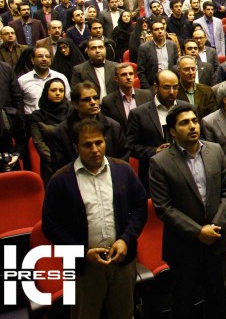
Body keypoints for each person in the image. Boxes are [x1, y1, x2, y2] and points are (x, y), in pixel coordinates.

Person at [42, 117, 148, 319]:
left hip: (121, 262)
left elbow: (140, 208)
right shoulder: (60, 180)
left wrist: (126, 239)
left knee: (124, 314)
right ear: (76, 147)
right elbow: (50, 225)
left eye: (99, 142)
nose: (95, 149)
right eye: (87, 145)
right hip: (85, 267)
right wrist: (82, 252)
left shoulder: (123, 171)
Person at [150, 103, 226, 319]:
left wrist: (215, 226)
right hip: (184, 247)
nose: (192, 126)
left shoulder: (214, 151)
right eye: (184, 123)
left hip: (216, 241)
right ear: (172, 131)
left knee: (218, 300)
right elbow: (164, 208)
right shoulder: (160, 162)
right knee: (184, 304)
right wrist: (198, 232)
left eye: (194, 121)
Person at [49, 82, 128, 177]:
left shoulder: (113, 126)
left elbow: (123, 158)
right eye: (86, 100)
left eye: (95, 98)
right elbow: (59, 168)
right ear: (75, 104)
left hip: (110, 177)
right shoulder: (61, 131)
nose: (93, 102)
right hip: (76, 179)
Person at [127, 70, 186, 192]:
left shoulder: (186, 108)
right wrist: (154, 151)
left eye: (175, 87)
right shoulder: (138, 114)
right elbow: (131, 147)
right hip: (154, 176)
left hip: (185, 172)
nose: (171, 92)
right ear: (155, 87)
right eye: (166, 87)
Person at [29, 78, 71, 185]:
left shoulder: (72, 110)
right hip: (50, 163)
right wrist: (56, 159)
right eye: (53, 90)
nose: (58, 93)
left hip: (73, 159)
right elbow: (39, 143)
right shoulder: (37, 116)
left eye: (61, 90)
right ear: (46, 92)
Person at [100, 63, 153, 132]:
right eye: (124, 74)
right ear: (116, 79)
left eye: (131, 74)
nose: (128, 77)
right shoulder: (108, 101)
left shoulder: (146, 95)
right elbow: (107, 127)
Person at [17, 46, 70, 114]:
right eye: (40, 56)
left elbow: (68, 100)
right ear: (32, 60)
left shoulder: (61, 77)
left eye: (47, 56)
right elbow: (18, 105)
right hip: (31, 118)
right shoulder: (23, 80)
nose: (44, 59)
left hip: (57, 118)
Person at [137, 19, 178, 89]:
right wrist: (148, 89)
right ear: (151, 32)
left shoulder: (172, 45)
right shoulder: (144, 48)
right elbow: (141, 72)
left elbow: (176, 66)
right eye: (156, 29)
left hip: (170, 84)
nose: (160, 31)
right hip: (152, 86)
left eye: (162, 29)